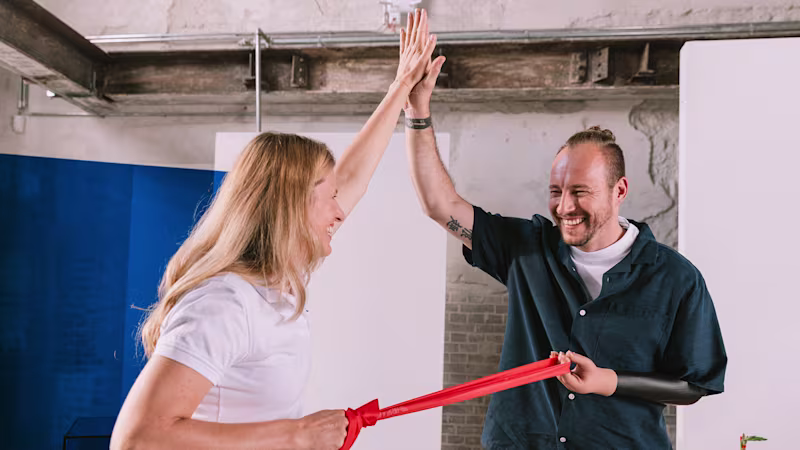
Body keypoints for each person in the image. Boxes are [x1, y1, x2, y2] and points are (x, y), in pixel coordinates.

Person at [110, 9, 438, 450]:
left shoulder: (274, 286)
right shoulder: (226, 303)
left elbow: (355, 175)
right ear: (290, 206)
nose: (340, 213)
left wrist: (402, 90)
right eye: (327, 196)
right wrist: (297, 434)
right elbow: (137, 437)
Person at [403, 60, 727, 448]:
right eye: (557, 191)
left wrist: (610, 381)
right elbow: (439, 205)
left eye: (580, 191)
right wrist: (417, 112)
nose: (564, 206)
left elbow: (695, 383)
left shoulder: (676, 279)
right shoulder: (526, 248)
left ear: (619, 190)